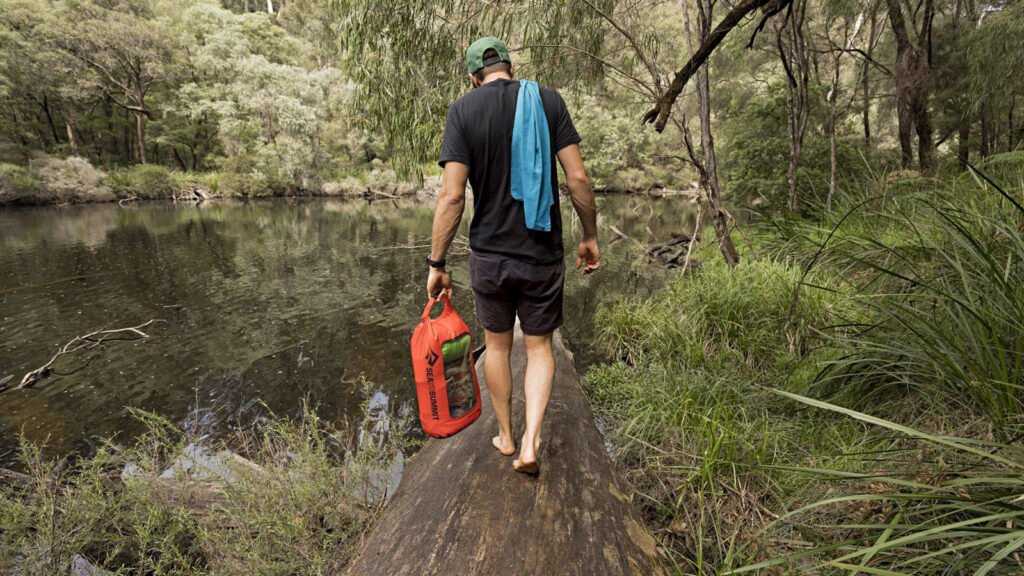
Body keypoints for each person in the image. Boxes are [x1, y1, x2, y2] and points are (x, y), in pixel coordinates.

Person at [426, 37, 600, 475]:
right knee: (540, 347)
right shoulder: (546, 101)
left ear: (473, 76)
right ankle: (531, 442)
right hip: (540, 252)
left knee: (499, 346)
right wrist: (590, 234)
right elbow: (577, 177)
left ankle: (505, 435)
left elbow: (451, 198)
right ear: (511, 65)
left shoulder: (463, 111)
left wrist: (437, 264)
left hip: (489, 255)